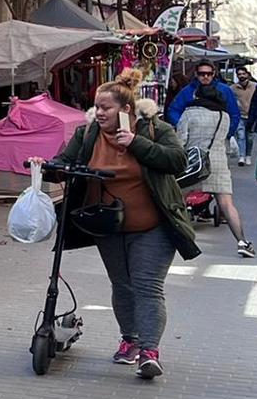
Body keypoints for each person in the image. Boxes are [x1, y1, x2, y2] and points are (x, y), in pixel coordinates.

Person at [47, 67, 199, 381]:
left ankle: (149, 352)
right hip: (109, 226)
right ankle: (129, 339)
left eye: (106, 108)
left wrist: (134, 144)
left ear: (126, 109)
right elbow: (67, 163)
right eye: (97, 107)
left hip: (154, 225)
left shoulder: (153, 129)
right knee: (122, 285)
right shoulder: (88, 133)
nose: (99, 113)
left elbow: (177, 160)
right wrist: (48, 167)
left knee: (147, 287)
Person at [177, 84, 252, 257]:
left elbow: (181, 140)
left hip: (193, 163)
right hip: (217, 163)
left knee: (178, 200)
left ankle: (181, 238)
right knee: (227, 204)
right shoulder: (223, 116)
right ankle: (242, 242)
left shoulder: (189, 113)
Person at [166, 58, 242, 134]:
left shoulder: (225, 90)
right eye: (202, 74)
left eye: (209, 74)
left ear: (214, 73)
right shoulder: (187, 91)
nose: (205, 76)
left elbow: (234, 114)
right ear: (196, 73)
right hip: (193, 136)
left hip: (219, 136)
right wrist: (183, 128)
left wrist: (227, 133)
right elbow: (174, 110)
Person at [230, 68, 257, 163]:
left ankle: (248, 155)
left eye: (243, 73)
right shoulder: (233, 88)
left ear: (247, 74)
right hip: (240, 115)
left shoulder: (255, 86)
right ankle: (242, 156)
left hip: (252, 115)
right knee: (241, 135)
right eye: (239, 74)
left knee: (249, 137)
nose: (241, 75)